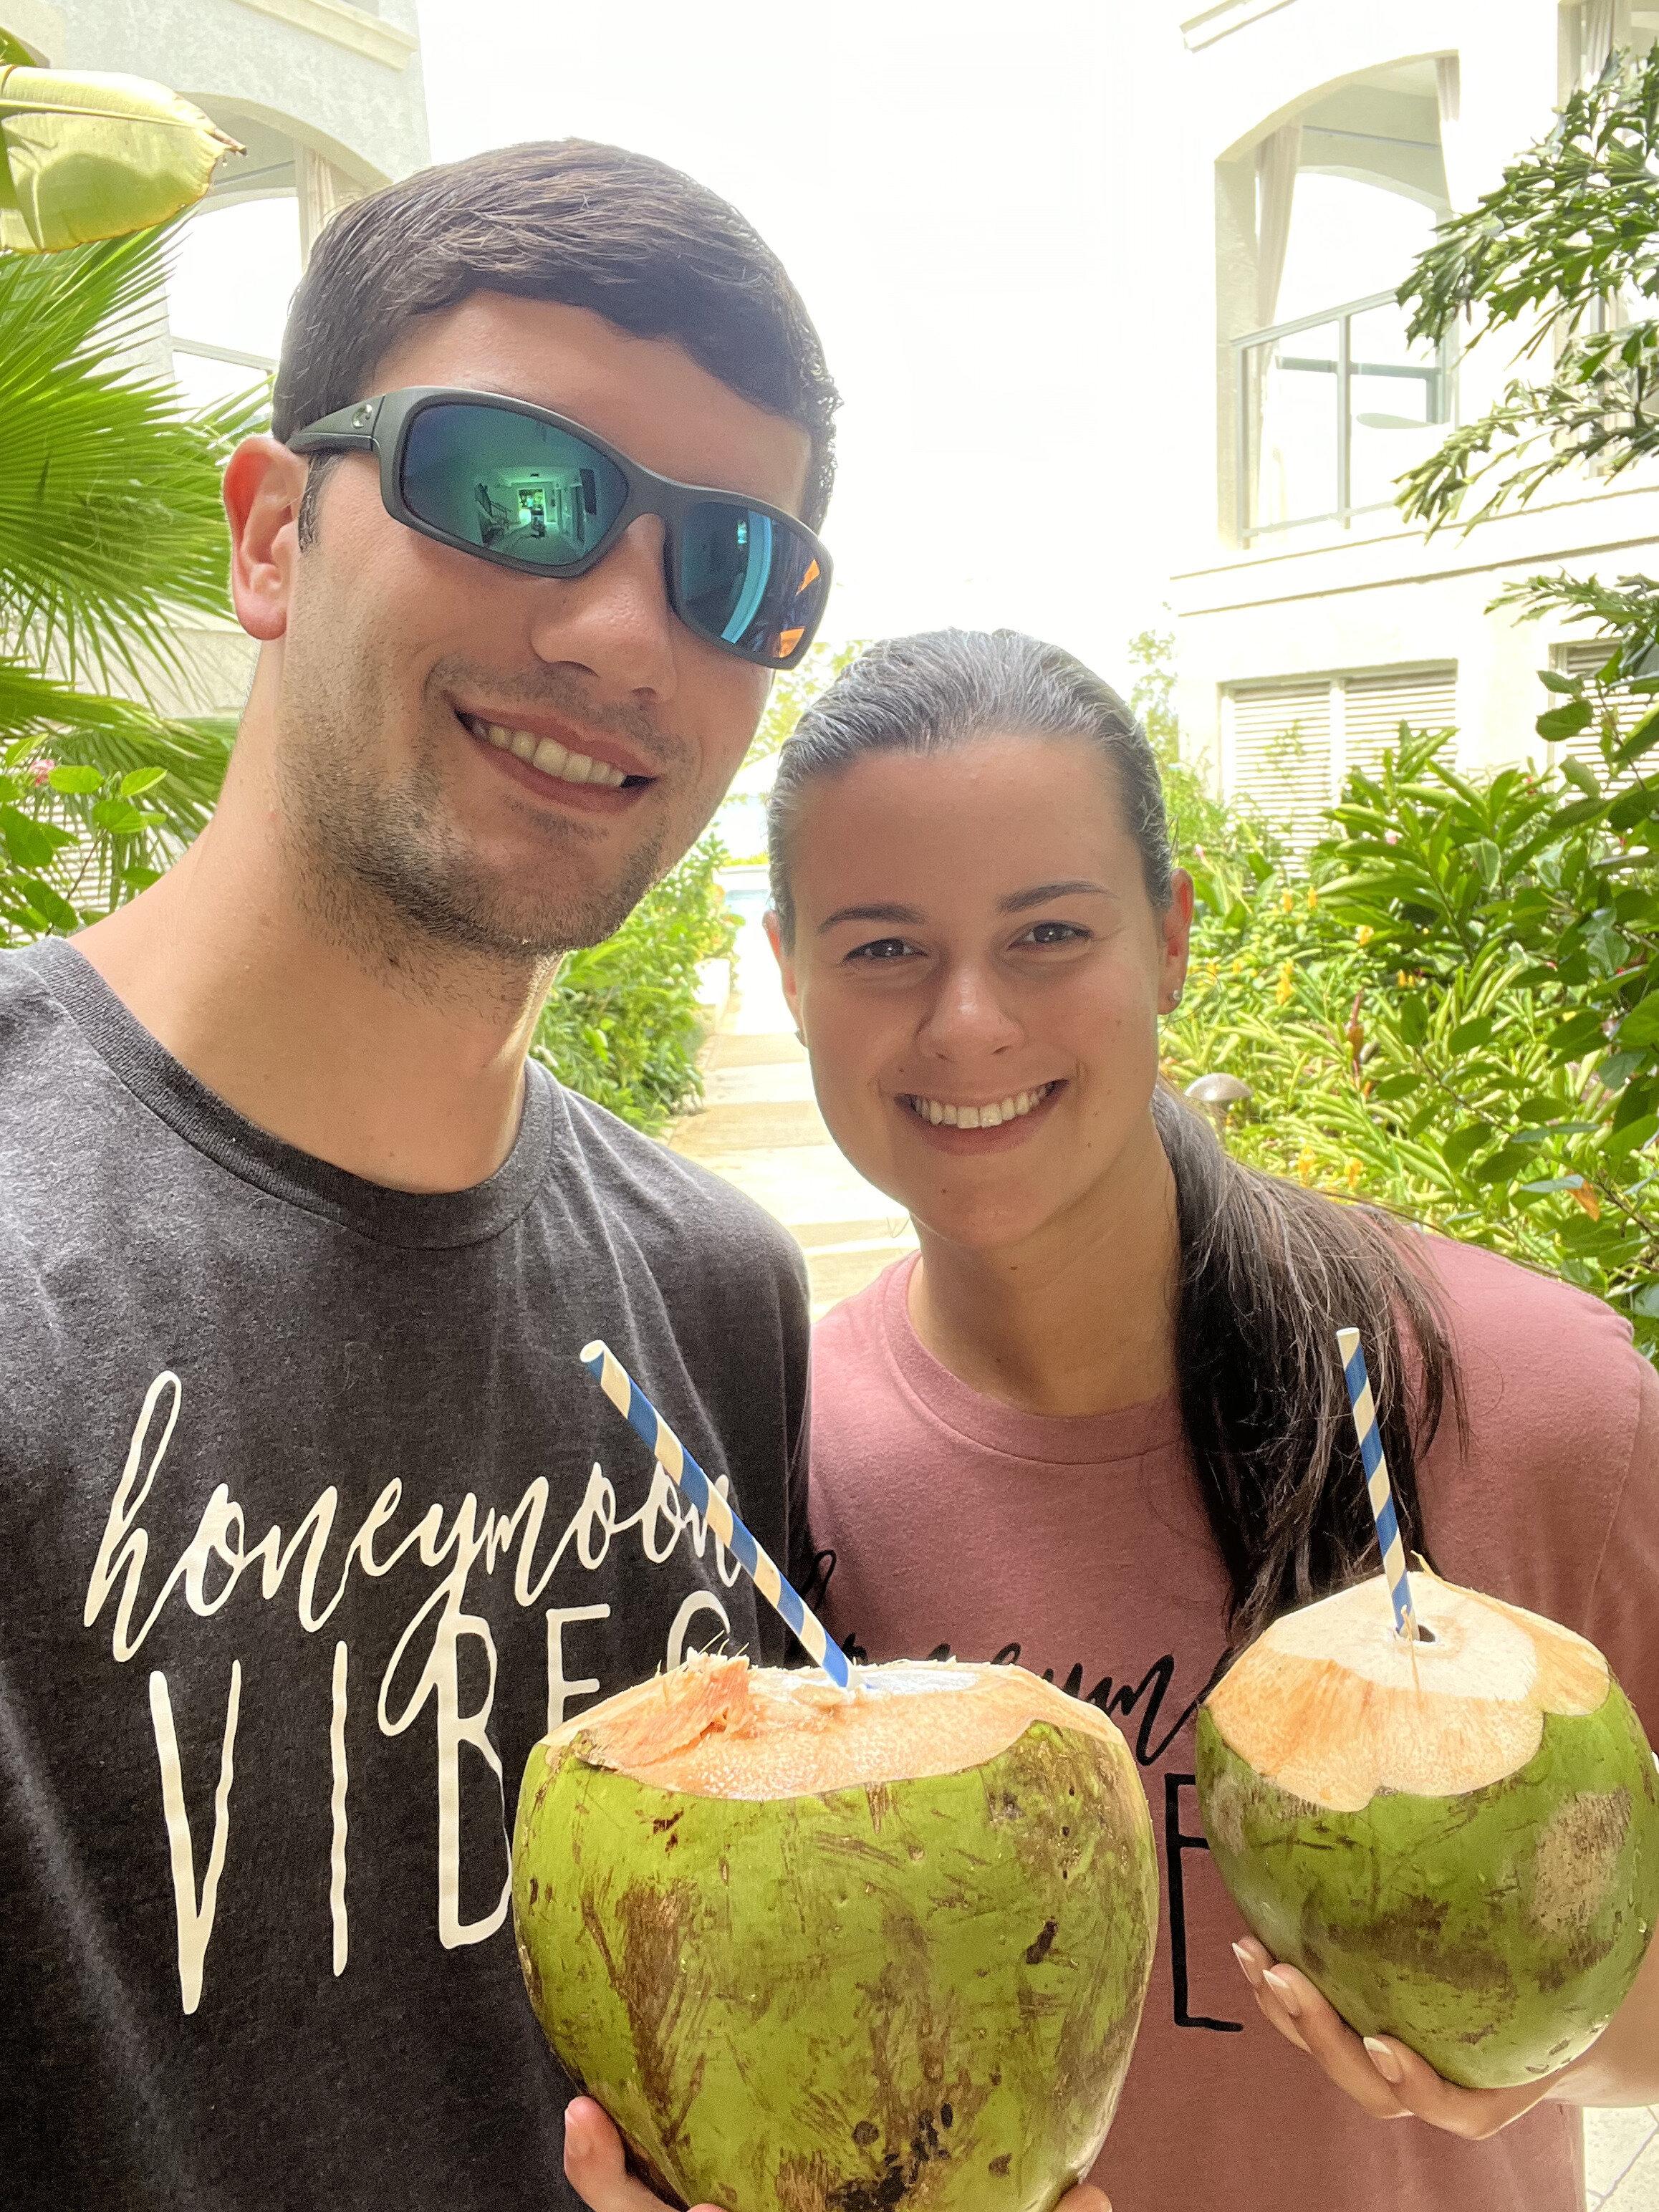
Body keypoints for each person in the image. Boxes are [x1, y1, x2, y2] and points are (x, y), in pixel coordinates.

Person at [0, 138, 842, 2208]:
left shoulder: (717, 1299)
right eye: (516, 491)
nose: (626, 631)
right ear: (273, 534)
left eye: (735, 570)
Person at [761, 628, 1659, 2212]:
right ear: (788, 974)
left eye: (1048, 931)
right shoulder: (792, 1453)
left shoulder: (1527, 1395)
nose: (969, 1021)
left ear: (1169, 938)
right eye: (884, 947)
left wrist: (1550, 2043)